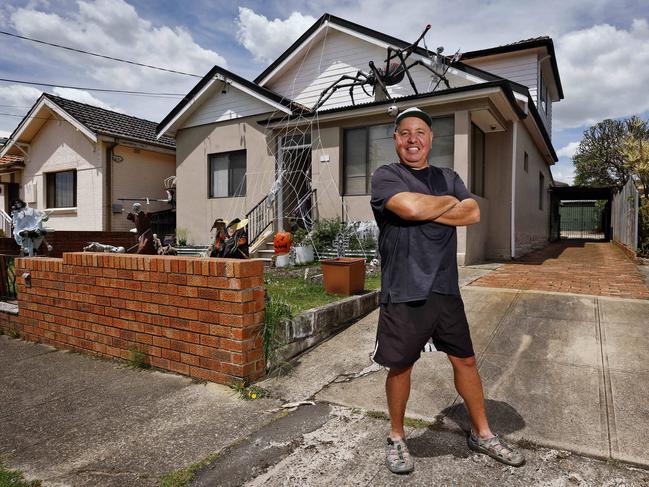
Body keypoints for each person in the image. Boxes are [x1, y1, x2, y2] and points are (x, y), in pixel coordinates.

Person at [370, 107, 524, 474]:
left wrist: (427, 207)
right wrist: (442, 205)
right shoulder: (385, 176)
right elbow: (406, 207)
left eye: (420, 132)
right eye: (405, 132)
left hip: (445, 288)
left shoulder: (447, 175)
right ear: (396, 139)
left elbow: (471, 213)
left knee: (466, 360)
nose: (412, 139)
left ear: (430, 139)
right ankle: (396, 437)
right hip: (405, 289)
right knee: (401, 365)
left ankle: (482, 433)